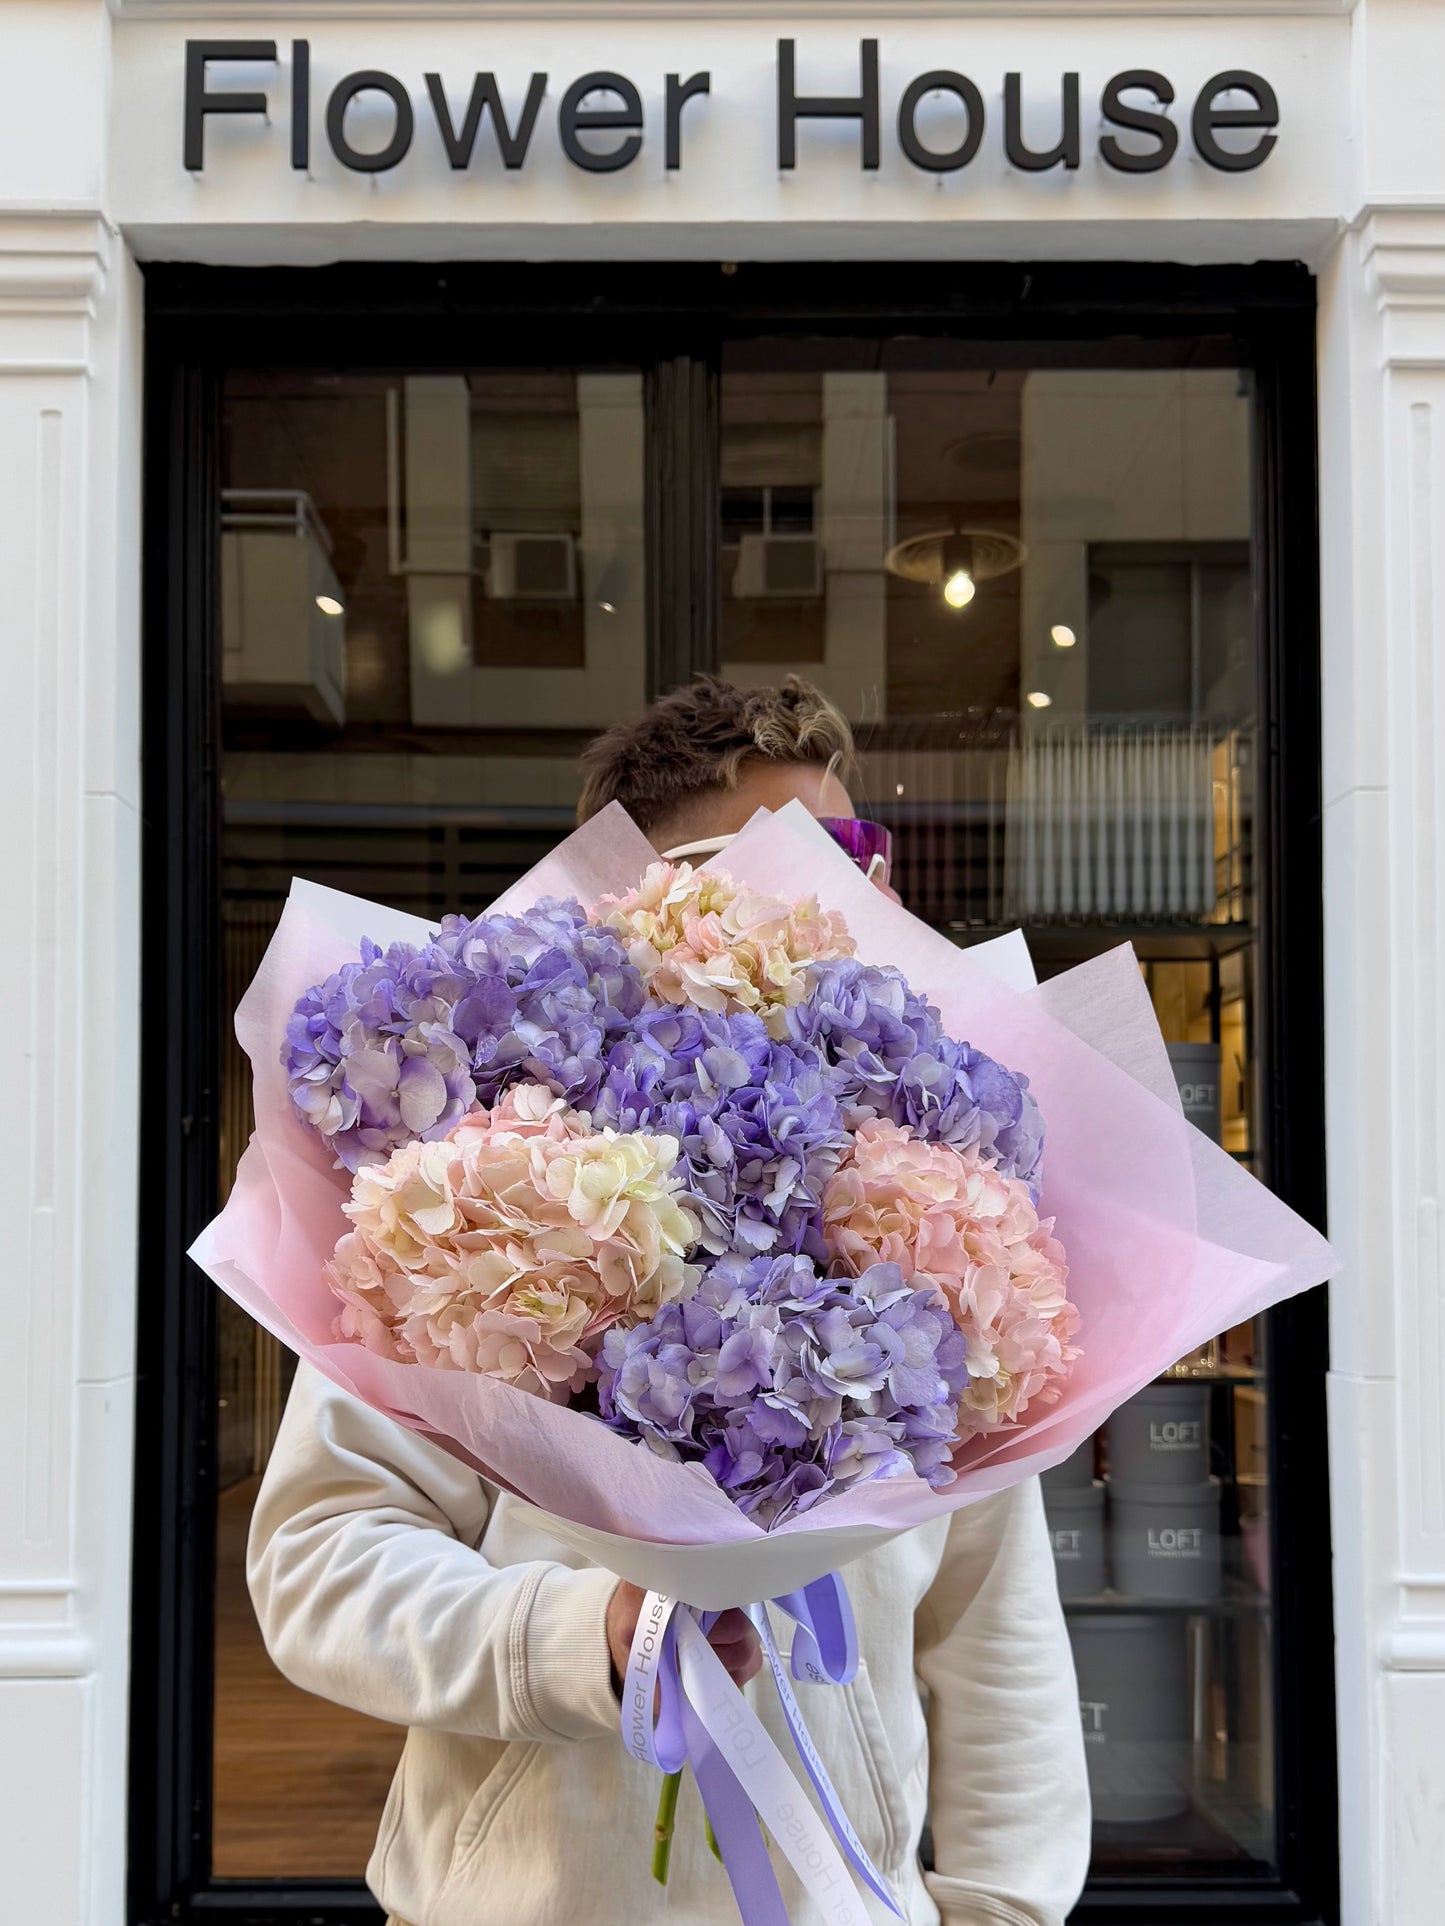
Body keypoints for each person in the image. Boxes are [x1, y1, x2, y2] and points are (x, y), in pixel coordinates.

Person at [248, 675, 1091, 1926]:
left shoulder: (931, 1215)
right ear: (641, 891)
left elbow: (991, 1629)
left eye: (864, 853)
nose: (856, 893)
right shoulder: (468, 1215)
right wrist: (586, 1632)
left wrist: (999, 1908)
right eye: (805, 854)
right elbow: (319, 1566)